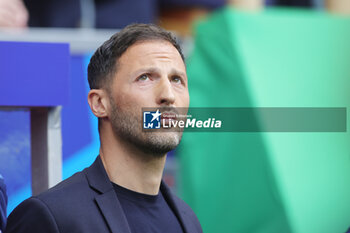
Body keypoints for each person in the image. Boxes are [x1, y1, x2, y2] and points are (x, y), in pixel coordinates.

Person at [5, 23, 203, 233]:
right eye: (145, 77)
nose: (168, 95)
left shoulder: (188, 220)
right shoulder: (49, 217)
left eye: (177, 80)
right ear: (99, 103)